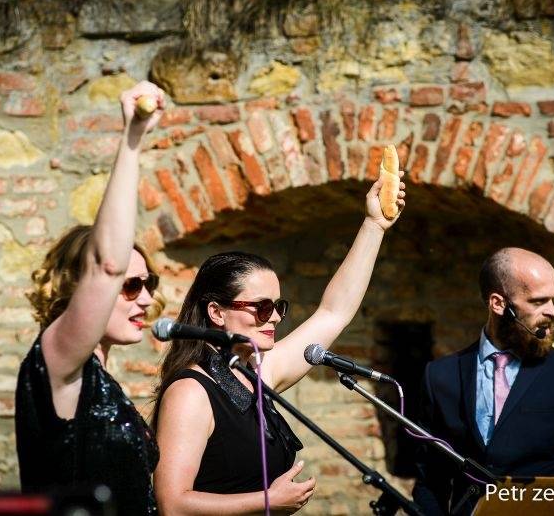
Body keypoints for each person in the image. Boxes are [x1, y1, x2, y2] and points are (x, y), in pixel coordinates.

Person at [152, 175, 407, 514]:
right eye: (261, 307)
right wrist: (268, 501)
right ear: (216, 312)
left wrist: (374, 226)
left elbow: (334, 313)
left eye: (278, 306)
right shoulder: (191, 391)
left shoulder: (253, 373)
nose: (274, 317)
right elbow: (172, 504)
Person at [15, 81, 167, 515]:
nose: (146, 300)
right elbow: (106, 265)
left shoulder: (101, 380)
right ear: (75, 286)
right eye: (130, 286)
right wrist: (133, 137)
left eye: (149, 283)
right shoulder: (58, 364)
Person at [413, 247, 554, 515]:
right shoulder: (439, 376)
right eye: (538, 301)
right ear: (498, 304)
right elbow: (430, 482)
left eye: (553, 299)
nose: (552, 311)